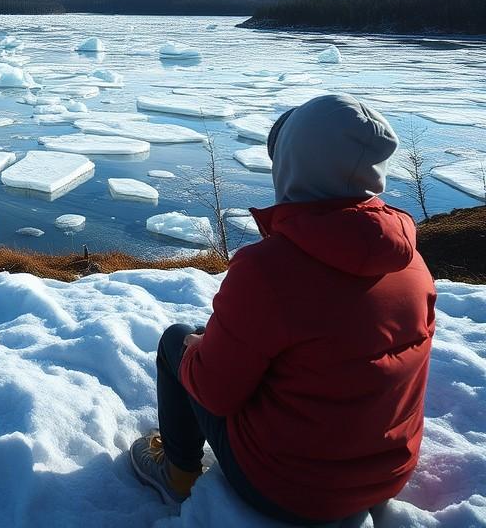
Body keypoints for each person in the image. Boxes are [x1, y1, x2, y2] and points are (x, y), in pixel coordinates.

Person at [130, 93, 436, 524]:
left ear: (295, 166)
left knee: (178, 341)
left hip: (290, 487)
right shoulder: (411, 262)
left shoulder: (268, 270)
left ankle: (177, 472)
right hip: (387, 471)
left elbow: (214, 390)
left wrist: (198, 349)